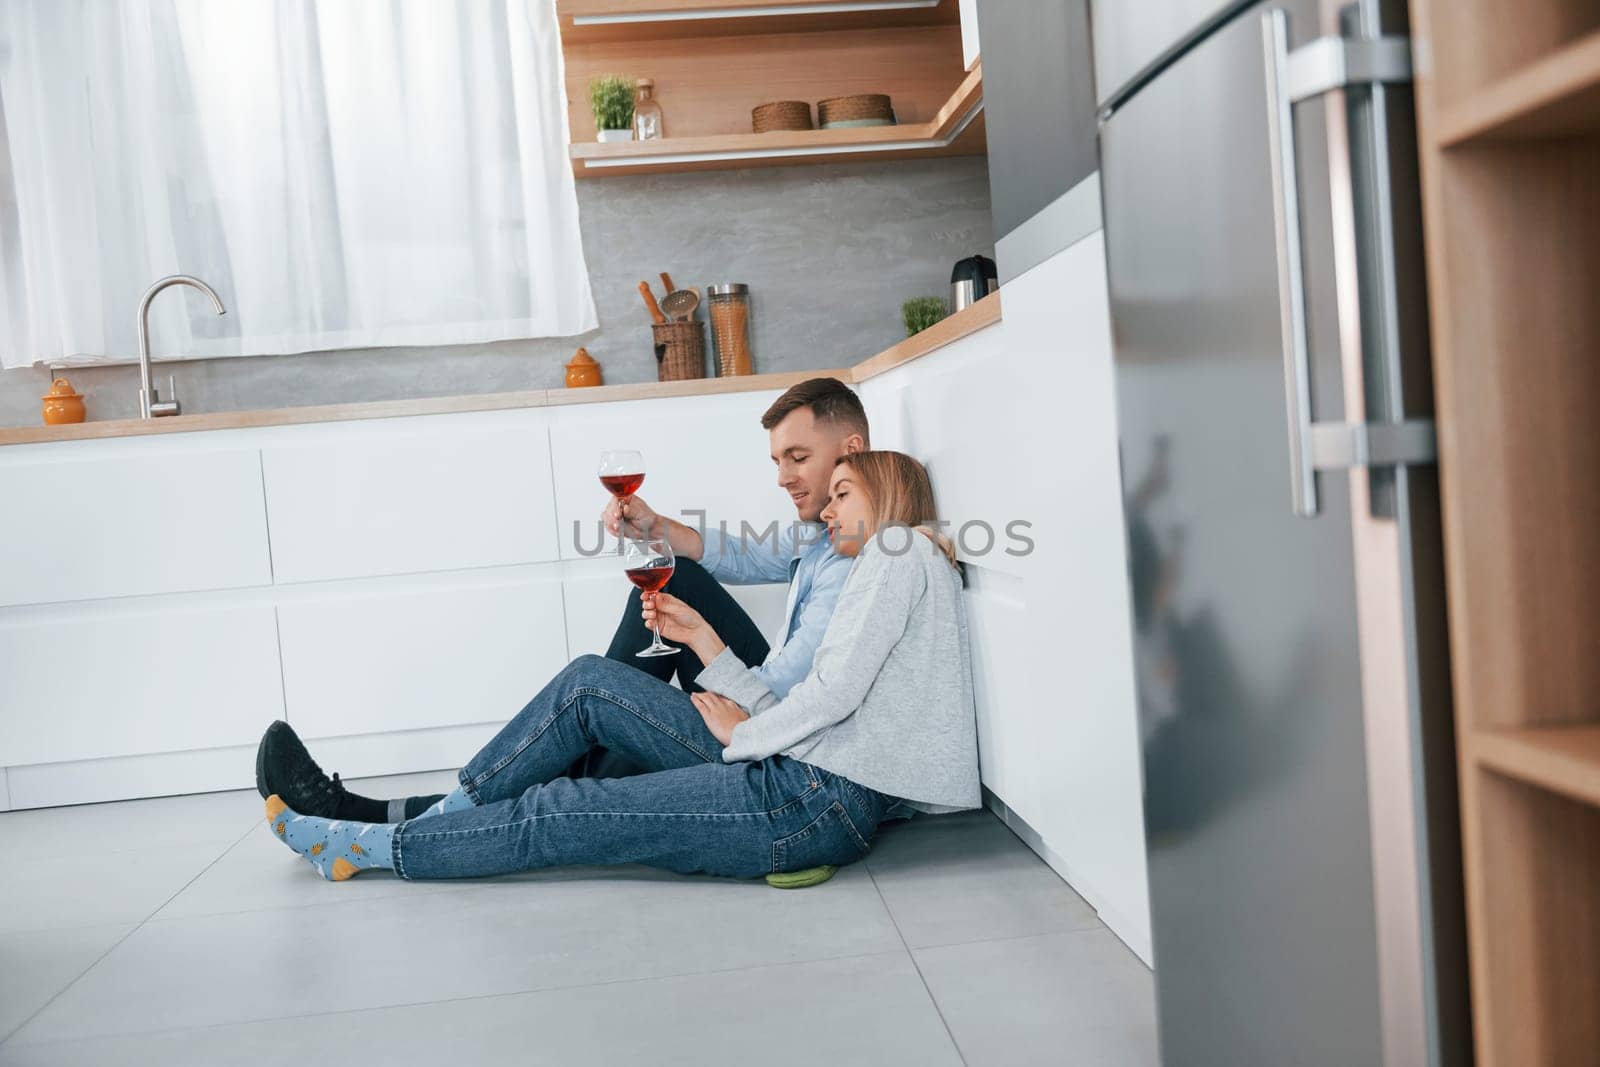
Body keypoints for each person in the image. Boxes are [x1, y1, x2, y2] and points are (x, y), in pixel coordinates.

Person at [263, 451, 980, 882]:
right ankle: (426, 824)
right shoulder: (888, 564)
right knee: (588, 685)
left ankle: (377, 845)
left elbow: (832, 698)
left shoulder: (897, 552)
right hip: (806, 782)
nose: (825, 506)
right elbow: (840, 707)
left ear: (886, 497)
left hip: (810, 797)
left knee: (563, 810)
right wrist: (705, 643)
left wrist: (743, 736)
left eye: (842, 492)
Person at [256, 377, 872, 822]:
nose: (783, 477)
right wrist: (655, 524)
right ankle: (448, 799)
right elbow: (745, 557)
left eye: (798, 458)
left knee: (592, 710)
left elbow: (787, 692)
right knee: (672, 584)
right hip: (769, 705)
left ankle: (388, 813)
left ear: (851, 448)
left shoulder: (862, 552)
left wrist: (702, 651)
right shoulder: (829, 528)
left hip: (775, 731)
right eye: (777, 460)